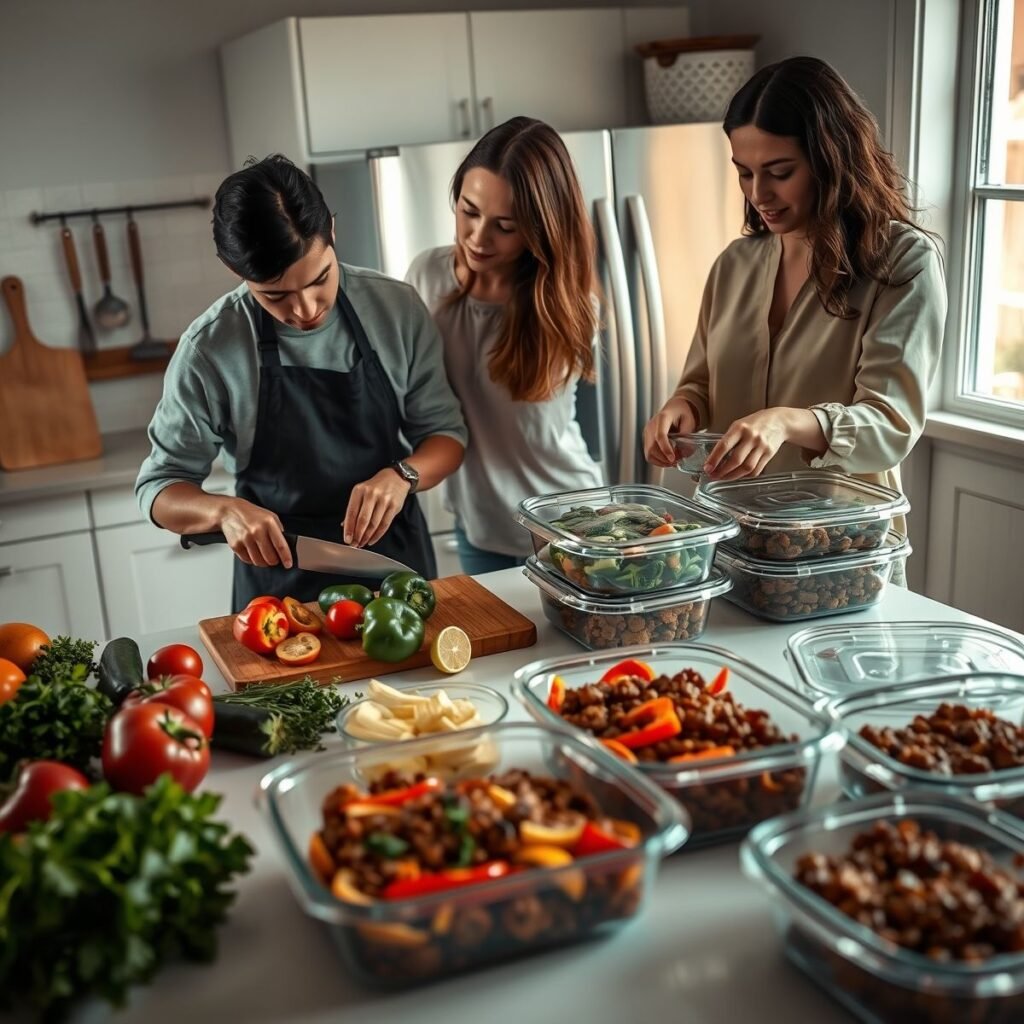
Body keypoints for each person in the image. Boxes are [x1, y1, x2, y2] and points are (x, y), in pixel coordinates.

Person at [136, 155, 467, 609]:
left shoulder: (395, 308)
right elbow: (159, 489)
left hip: (394, 572)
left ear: (330, 231)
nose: (306, 309)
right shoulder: (210, 348)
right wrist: (224, 510)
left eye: (320, 279)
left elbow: (446, 436)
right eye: (275, 296)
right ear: (237, 272)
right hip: (279, 589)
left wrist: (402, 475)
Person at [643, 56, 946, 546]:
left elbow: (890, 424)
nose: (759, 193)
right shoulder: (735, 264)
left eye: (779, 171)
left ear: (832, 158)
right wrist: (682, 409)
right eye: (744, 173)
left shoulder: (901, 261)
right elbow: (700, 384)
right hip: (730, 537)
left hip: (841, 545)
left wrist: (786, 421)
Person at [406, 116, 604, 575]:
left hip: (570, 526)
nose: (478, 237)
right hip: (480, 528)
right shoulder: (425, 277)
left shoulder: (565, 304)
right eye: (468, 211)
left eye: (505, 225)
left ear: (540, 227)